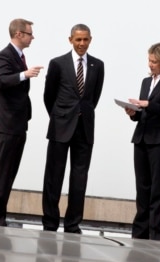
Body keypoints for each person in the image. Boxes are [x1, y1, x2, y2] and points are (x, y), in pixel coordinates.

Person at [41, 24, 105, 233]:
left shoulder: (98, 65)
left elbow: (93, 98)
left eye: (85, 40)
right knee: (54, 177)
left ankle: (72, 224)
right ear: (70, 40)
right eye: (78, 40)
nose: (82, 44)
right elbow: (48, 96)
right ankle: (50, 222)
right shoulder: (57, 64)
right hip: (60, 127)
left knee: (79, 179)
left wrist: (80, 115)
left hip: (84, 129)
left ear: (90, 40)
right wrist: (61, 116)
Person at [0, 18, 43, 226]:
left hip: (18, 124)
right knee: (3, 174)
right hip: (8, 125)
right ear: (18, 34)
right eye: (29, 33)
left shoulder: (19, 57)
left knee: (9, 173)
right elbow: (0, 81)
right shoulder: (4, 56)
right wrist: (23, 75)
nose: (32, 37)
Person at [124, 43, 160, 240]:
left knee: (157, 189)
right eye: (149, 60)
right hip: (141, 138)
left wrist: (149, 104)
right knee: (142, 188)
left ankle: (156, 235)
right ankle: (139, 232)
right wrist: (133, 113)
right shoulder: (145, 82)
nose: (150, 65)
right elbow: (142, 115)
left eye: (154, 62)